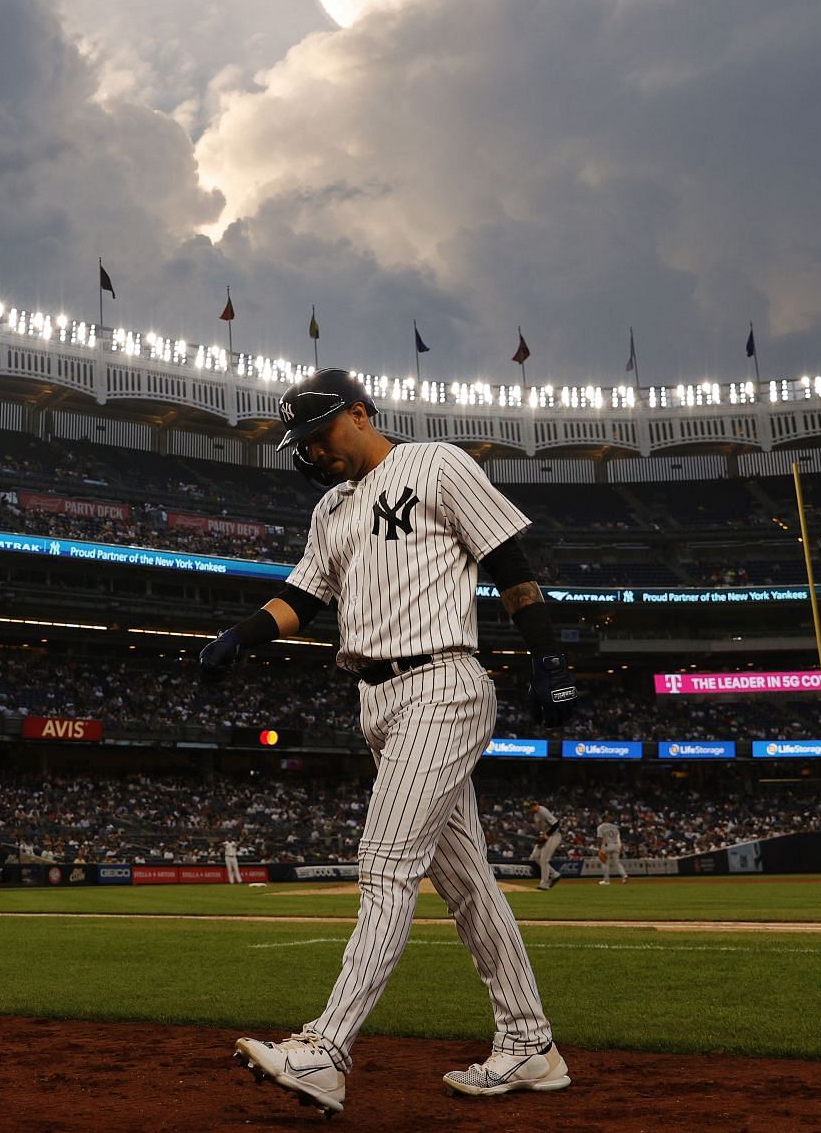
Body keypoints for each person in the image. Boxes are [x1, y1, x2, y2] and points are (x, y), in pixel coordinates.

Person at [211, 369, 578, 1115]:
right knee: (468, 882)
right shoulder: (330, 510)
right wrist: (241, 636)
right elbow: (303, 598)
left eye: (319, 434)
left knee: (383, 866)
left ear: (359, 412)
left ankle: (326, 1047)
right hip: (376, 699)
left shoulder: (437, 461)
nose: (312, 451)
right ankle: (530, 1044)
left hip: (442, 682)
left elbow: (510, 562)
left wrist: (548, 655)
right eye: (303, 443)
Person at [528, 802, 564, 891]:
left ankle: (544, 884)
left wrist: (547, 835)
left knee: (544, 860)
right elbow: (542, 828)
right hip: (545, 836)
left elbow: (556, 824)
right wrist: (541, 836)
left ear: (535, 806)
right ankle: (555, 874)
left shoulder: (543, 811)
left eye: (531, 807)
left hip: (554, 836)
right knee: (534, 857)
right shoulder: (535, 814)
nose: (530, 810)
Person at [595, 818, 629, 885]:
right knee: (617, 862)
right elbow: (618, 838)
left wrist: (599, 849)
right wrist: (620, 846)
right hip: (616, 845)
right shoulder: (615, 827)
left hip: (606, 845)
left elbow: (599, 838)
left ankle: (606, 880)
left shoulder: (601, 827)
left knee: (605, 863)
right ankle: (624, 875)